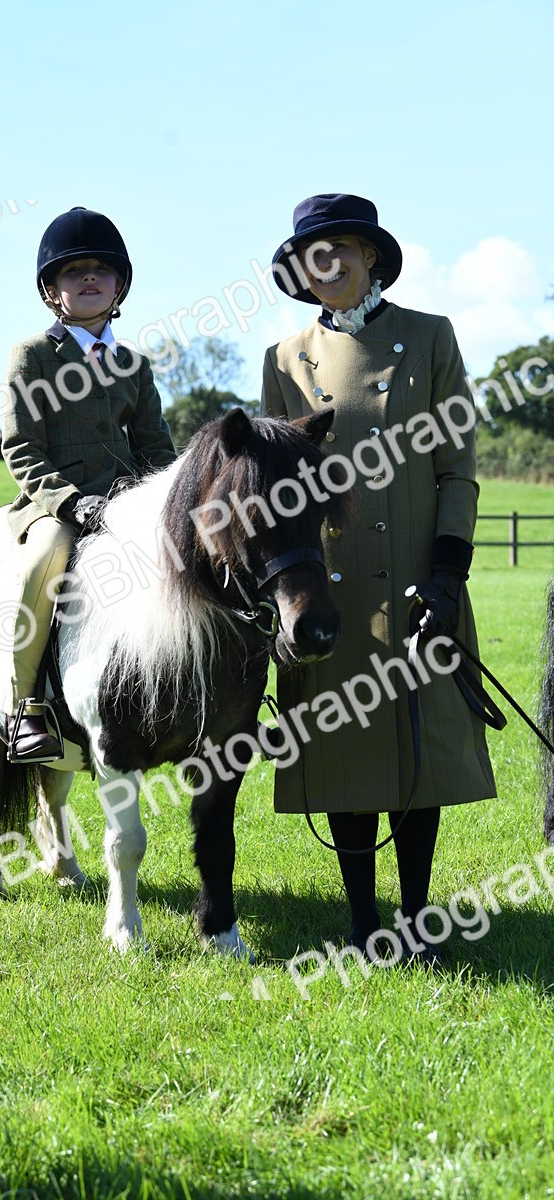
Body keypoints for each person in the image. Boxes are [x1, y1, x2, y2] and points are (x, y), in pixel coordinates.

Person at [261, 193, 496, 962]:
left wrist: (448, 573)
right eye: (312, 255)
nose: (326, 264)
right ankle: (364, 923)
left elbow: (458, 469)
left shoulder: (431, 337)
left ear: (369, 258)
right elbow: (275, 488)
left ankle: (417, 916)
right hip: (329, 588)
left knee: (417, 751)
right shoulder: (283, 358)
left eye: (340, 249)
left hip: (419, 581)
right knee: (347, 753)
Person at [1, 207, 176, 762]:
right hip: (55, 506)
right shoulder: (32, 356)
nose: (90, 278)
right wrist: (72, 504)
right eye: (74, 271)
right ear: (52, 290)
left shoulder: (133, 364)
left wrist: (162, 499)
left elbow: (156, 448)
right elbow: (21, 448)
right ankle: (27, 707)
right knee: (45, 561)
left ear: (119, 284)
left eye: (101, 269)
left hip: (126, 504)